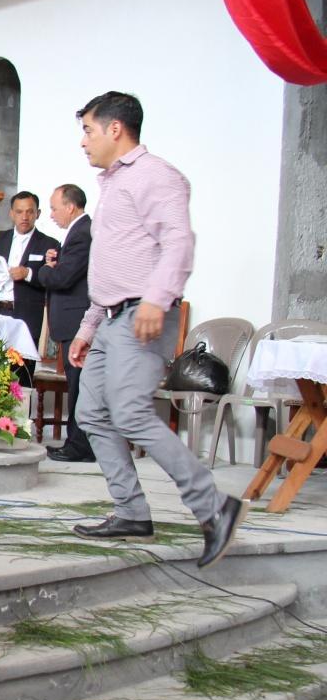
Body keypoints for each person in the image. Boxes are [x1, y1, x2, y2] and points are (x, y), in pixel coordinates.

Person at [67, 91, 245, 567]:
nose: (83, 141)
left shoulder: (156, 176)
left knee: (130, 415)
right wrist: (88, 326)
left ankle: (215, 508)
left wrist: (155, 300)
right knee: (93, 415)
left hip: (141, 316)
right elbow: (112, 264)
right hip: (109, 317)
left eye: (87, 130)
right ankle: (131, 510)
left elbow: (178, 244)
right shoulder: (111, 185)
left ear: (115, 129)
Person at [32, 184, 94, 462]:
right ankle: (78, 443)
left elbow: (63, 279)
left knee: (81, 386)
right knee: (77, 384)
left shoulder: (82, 234)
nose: (52, 214)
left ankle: (80, 446)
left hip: (76, 321)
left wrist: (45, 270)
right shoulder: (75, 234)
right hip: (71, 322)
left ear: (70, 207)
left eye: (55, 208)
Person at [0, 191, 58, 372]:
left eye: (29, 212)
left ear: (38, 213)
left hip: (26, 316)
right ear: (11, 214)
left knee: (21, 376)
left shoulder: (49, 244)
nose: (24, 217)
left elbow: (52, 280)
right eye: (19, 212)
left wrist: (28, 273)